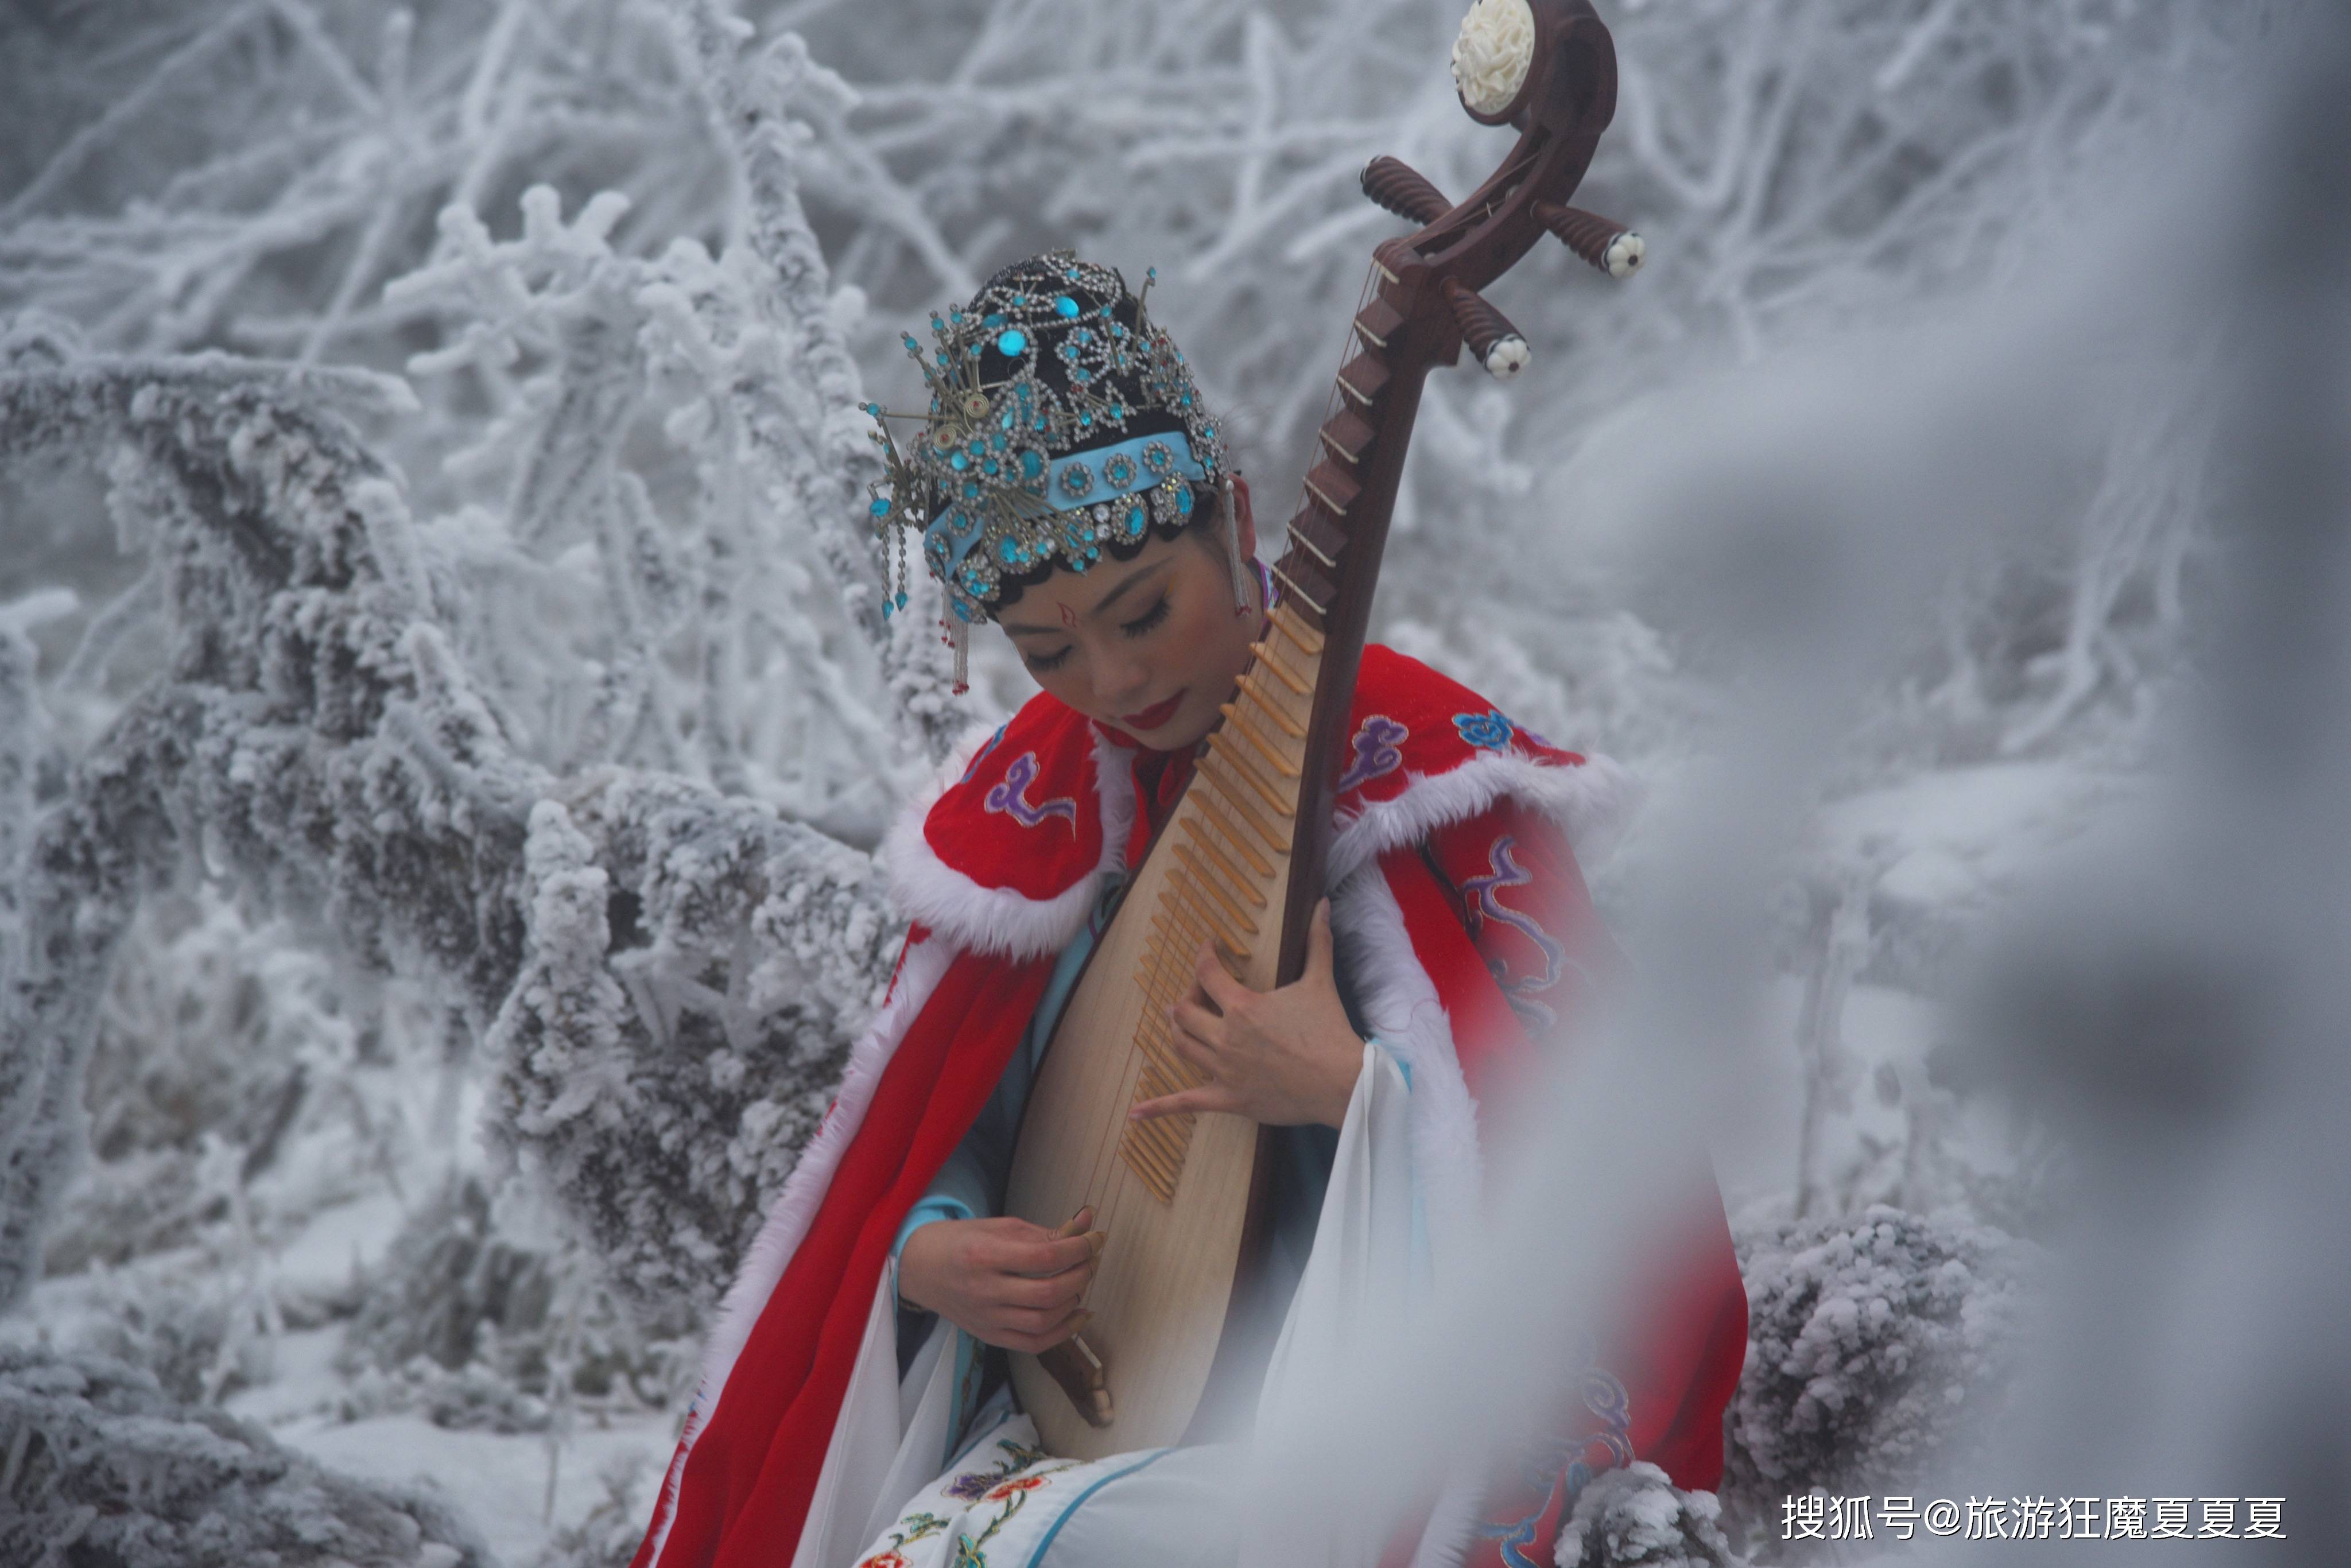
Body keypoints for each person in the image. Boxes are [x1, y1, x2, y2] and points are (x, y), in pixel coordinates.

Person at [630, 253, 1747, 1568]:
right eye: (1048, 651)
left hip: (1353, 1431)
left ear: (1231, 517)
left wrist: (1357, 1090)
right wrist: (929, 1253)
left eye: (1140, 609)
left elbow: (1610, 1157)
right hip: (1090, 1416)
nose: (1109, 678)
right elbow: (952, 1132)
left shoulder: (1415, 771)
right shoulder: (1037, 810)